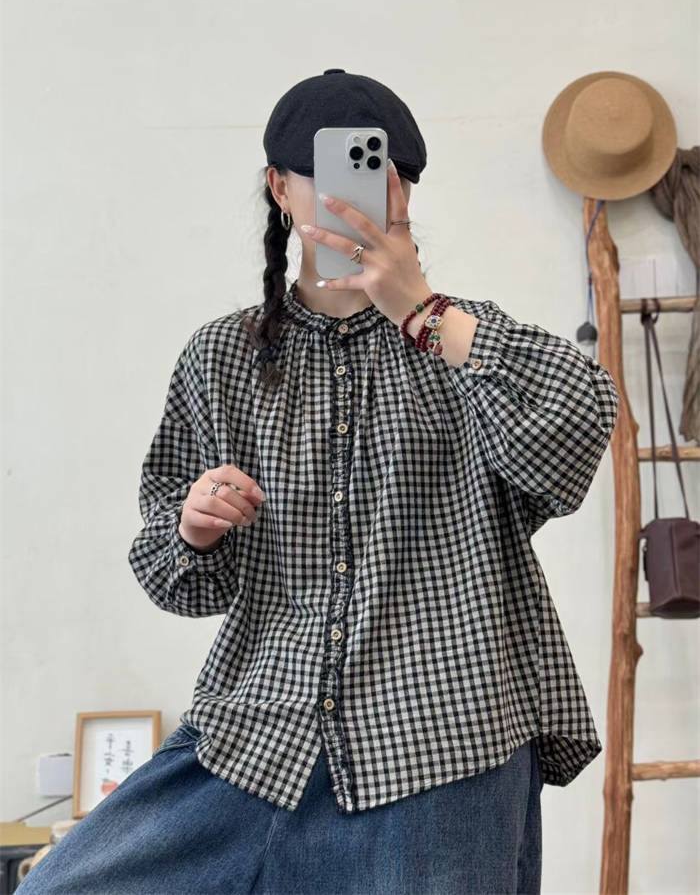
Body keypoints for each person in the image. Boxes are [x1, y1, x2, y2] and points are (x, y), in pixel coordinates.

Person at [17, 70, 618, 895]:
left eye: (384, 176)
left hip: (444, 737)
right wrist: (194, 528)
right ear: (279, 186)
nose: (357, 198)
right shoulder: (222, 357)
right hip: (260, 736)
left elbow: (581, 420)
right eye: (331, 174)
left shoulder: (457, 340)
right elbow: (174, 577)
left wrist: (421, 309)